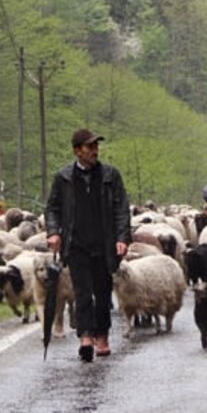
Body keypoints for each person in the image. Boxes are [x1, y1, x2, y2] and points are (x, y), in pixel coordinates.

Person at [45, 128, 130, 362]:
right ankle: (85, 336)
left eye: (96, 147)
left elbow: (122, 208)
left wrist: (122, 237)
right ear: (77, 151)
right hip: (76, 242)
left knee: (103, 292)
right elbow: (53, 207)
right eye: (89, 147)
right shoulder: (63, 178)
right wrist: (53, 232)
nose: (94, 151)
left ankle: (102, 335)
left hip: (104, 242)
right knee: (82, 292)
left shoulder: (110, 176)